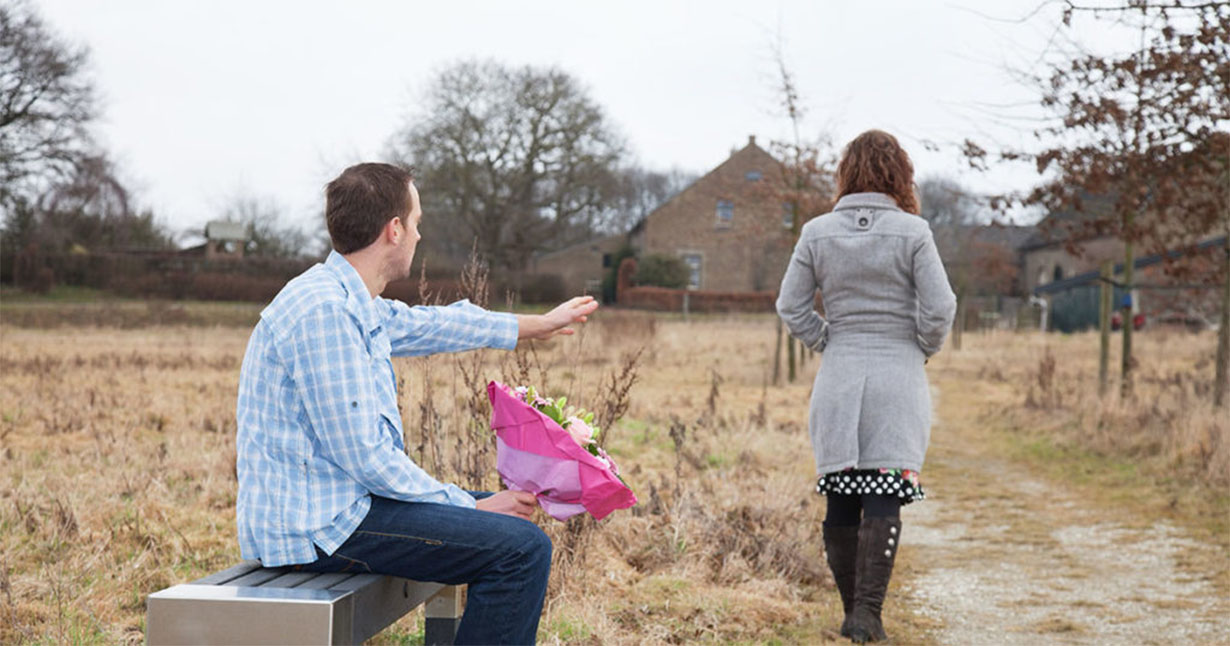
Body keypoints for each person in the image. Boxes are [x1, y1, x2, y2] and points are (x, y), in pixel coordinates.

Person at [234, 162, 598, 646]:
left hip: (343, 509)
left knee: (509, 522)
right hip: (317, 528)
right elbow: (367, 458)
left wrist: (536, 325)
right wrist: (470, 505)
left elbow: (432, 325)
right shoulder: (325, 313)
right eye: (417, 222)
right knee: (520, 550)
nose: (419, 235)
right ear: (395, 229)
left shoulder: (348, 299)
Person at [775, 130, 956, 644]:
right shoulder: (914, 232)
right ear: (901, 174)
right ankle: (868, 615)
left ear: (846, 173)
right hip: (898, 377)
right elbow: (941, 306)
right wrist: (921, 346)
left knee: (841, 493)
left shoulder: (816, 232)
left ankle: (851, 612)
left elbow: (790, 305)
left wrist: (826, 340)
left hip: (840, 372)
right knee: (884, 492)